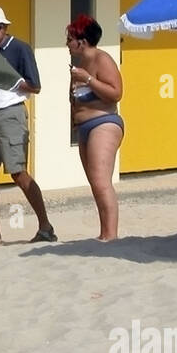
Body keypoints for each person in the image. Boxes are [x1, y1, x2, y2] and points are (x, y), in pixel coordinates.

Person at [0, 6, 56, 245]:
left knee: (18, 172)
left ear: (5, 28)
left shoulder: (20, 48)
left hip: (12, 113)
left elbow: (35, 86)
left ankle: (45, 226)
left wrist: (9, 79)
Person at [67, 14, 125, 240]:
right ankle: (105, 233)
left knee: (101, 182)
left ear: (82, 41)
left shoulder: (102, 60)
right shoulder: (80, 65)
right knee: (95, 182)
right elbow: (76, 98)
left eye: (70, 39)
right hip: (84, 127)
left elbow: (116, 93)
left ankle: (111, 236)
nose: (67, 44)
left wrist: (88, 79)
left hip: (104, 122)